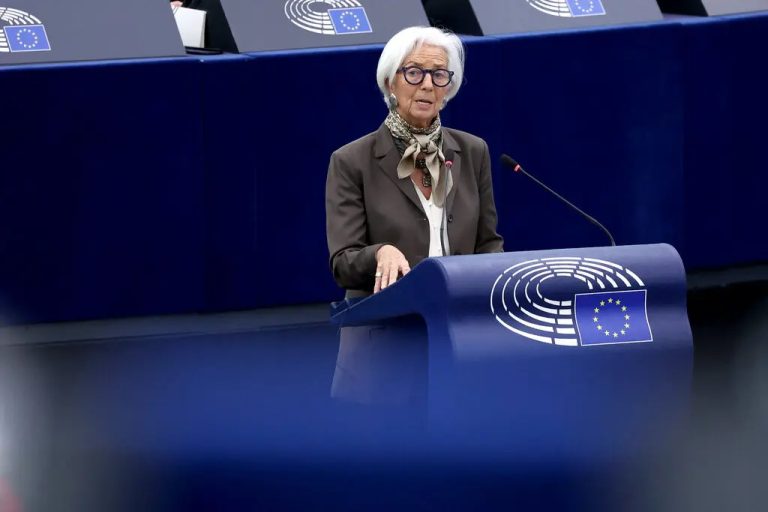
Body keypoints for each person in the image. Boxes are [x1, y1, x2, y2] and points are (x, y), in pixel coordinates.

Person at [325, 26, 503, 299]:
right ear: (389, 83)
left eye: (439, 74)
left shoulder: (473, 151)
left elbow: (488, 243)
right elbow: (343, 263)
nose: (428, 84)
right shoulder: (351, 161)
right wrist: (380, 253)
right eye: (414, 72)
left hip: (459, 324)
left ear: (448, 88)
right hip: (385, 329)